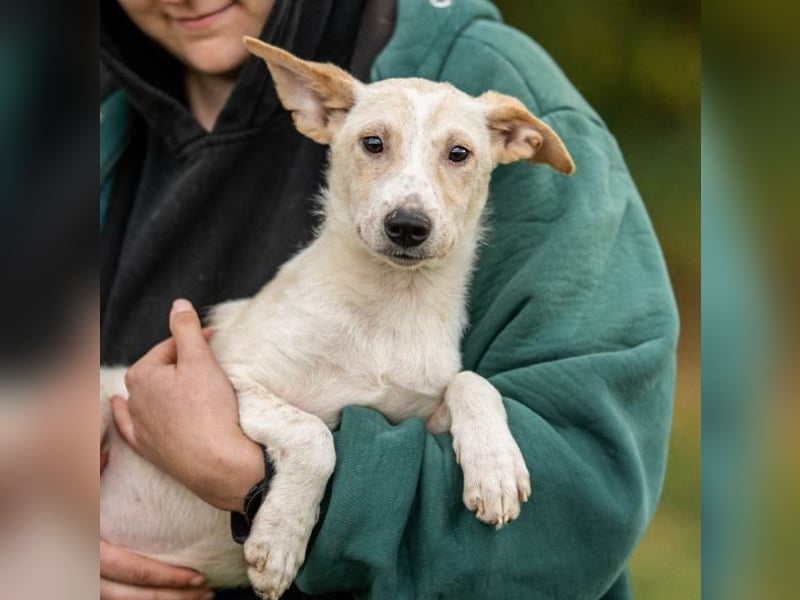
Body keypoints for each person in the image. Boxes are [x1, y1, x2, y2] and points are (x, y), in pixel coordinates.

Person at [100, 0, 679, 599]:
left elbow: (580, 499)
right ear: (316, 109)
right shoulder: (83, 107)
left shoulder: (493, 71)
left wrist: (258, 477)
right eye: (375, 145)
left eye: (457, 156)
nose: (409, 208)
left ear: (512, 142)